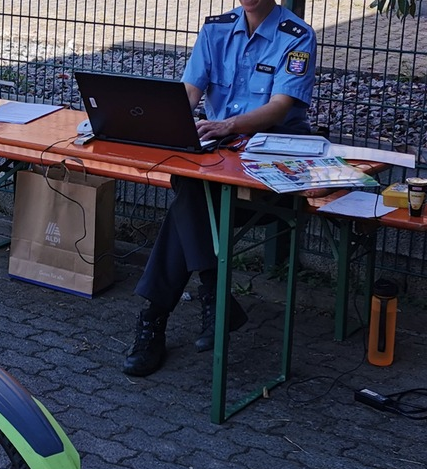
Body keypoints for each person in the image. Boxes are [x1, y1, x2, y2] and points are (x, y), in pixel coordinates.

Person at [123, 0, 316, 376]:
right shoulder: (215, 29)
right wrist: (166, 125)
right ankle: (214, 299)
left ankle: (155, 319)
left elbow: (279, 108)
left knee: (188, 189)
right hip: (218, 159)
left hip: (268, 168)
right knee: (191, 183)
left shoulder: (297, 35)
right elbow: (189, 94)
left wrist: (228, 126)